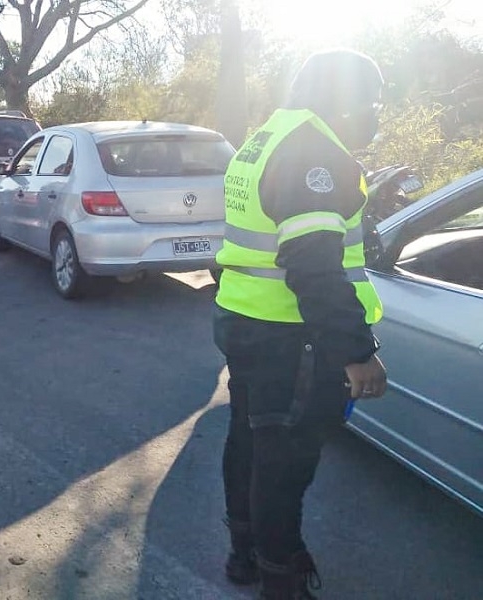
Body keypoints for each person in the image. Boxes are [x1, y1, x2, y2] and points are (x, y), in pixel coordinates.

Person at [213, 48, 389, 600]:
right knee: (284, 462)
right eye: (374, 104)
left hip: (245, 318)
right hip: (290, 337)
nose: (377, 118)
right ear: (345, 101)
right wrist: (357, 351)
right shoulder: (316, 153)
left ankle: (245, 554)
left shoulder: (269, 136)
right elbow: (314, 267)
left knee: (248, 438)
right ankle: (282, 581)